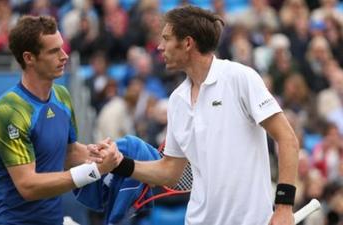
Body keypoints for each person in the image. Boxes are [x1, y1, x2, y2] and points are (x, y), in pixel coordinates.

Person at [104, 5, 300, 225]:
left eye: (166, 39)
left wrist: (284, 207)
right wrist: (121, 164)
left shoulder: (240, 78)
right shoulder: (177, 100)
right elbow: (170, 172)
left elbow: (287, 139)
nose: (160, 47)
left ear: (187, 43)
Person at [0, 15, 122, 225]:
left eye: (62, 47)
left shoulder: (62, 95)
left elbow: (68, 152)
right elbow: (28, 186)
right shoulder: (9, 111)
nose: (64, 56)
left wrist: (101, 153)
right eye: (54, 51)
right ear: (29, 58)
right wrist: (93, 171)